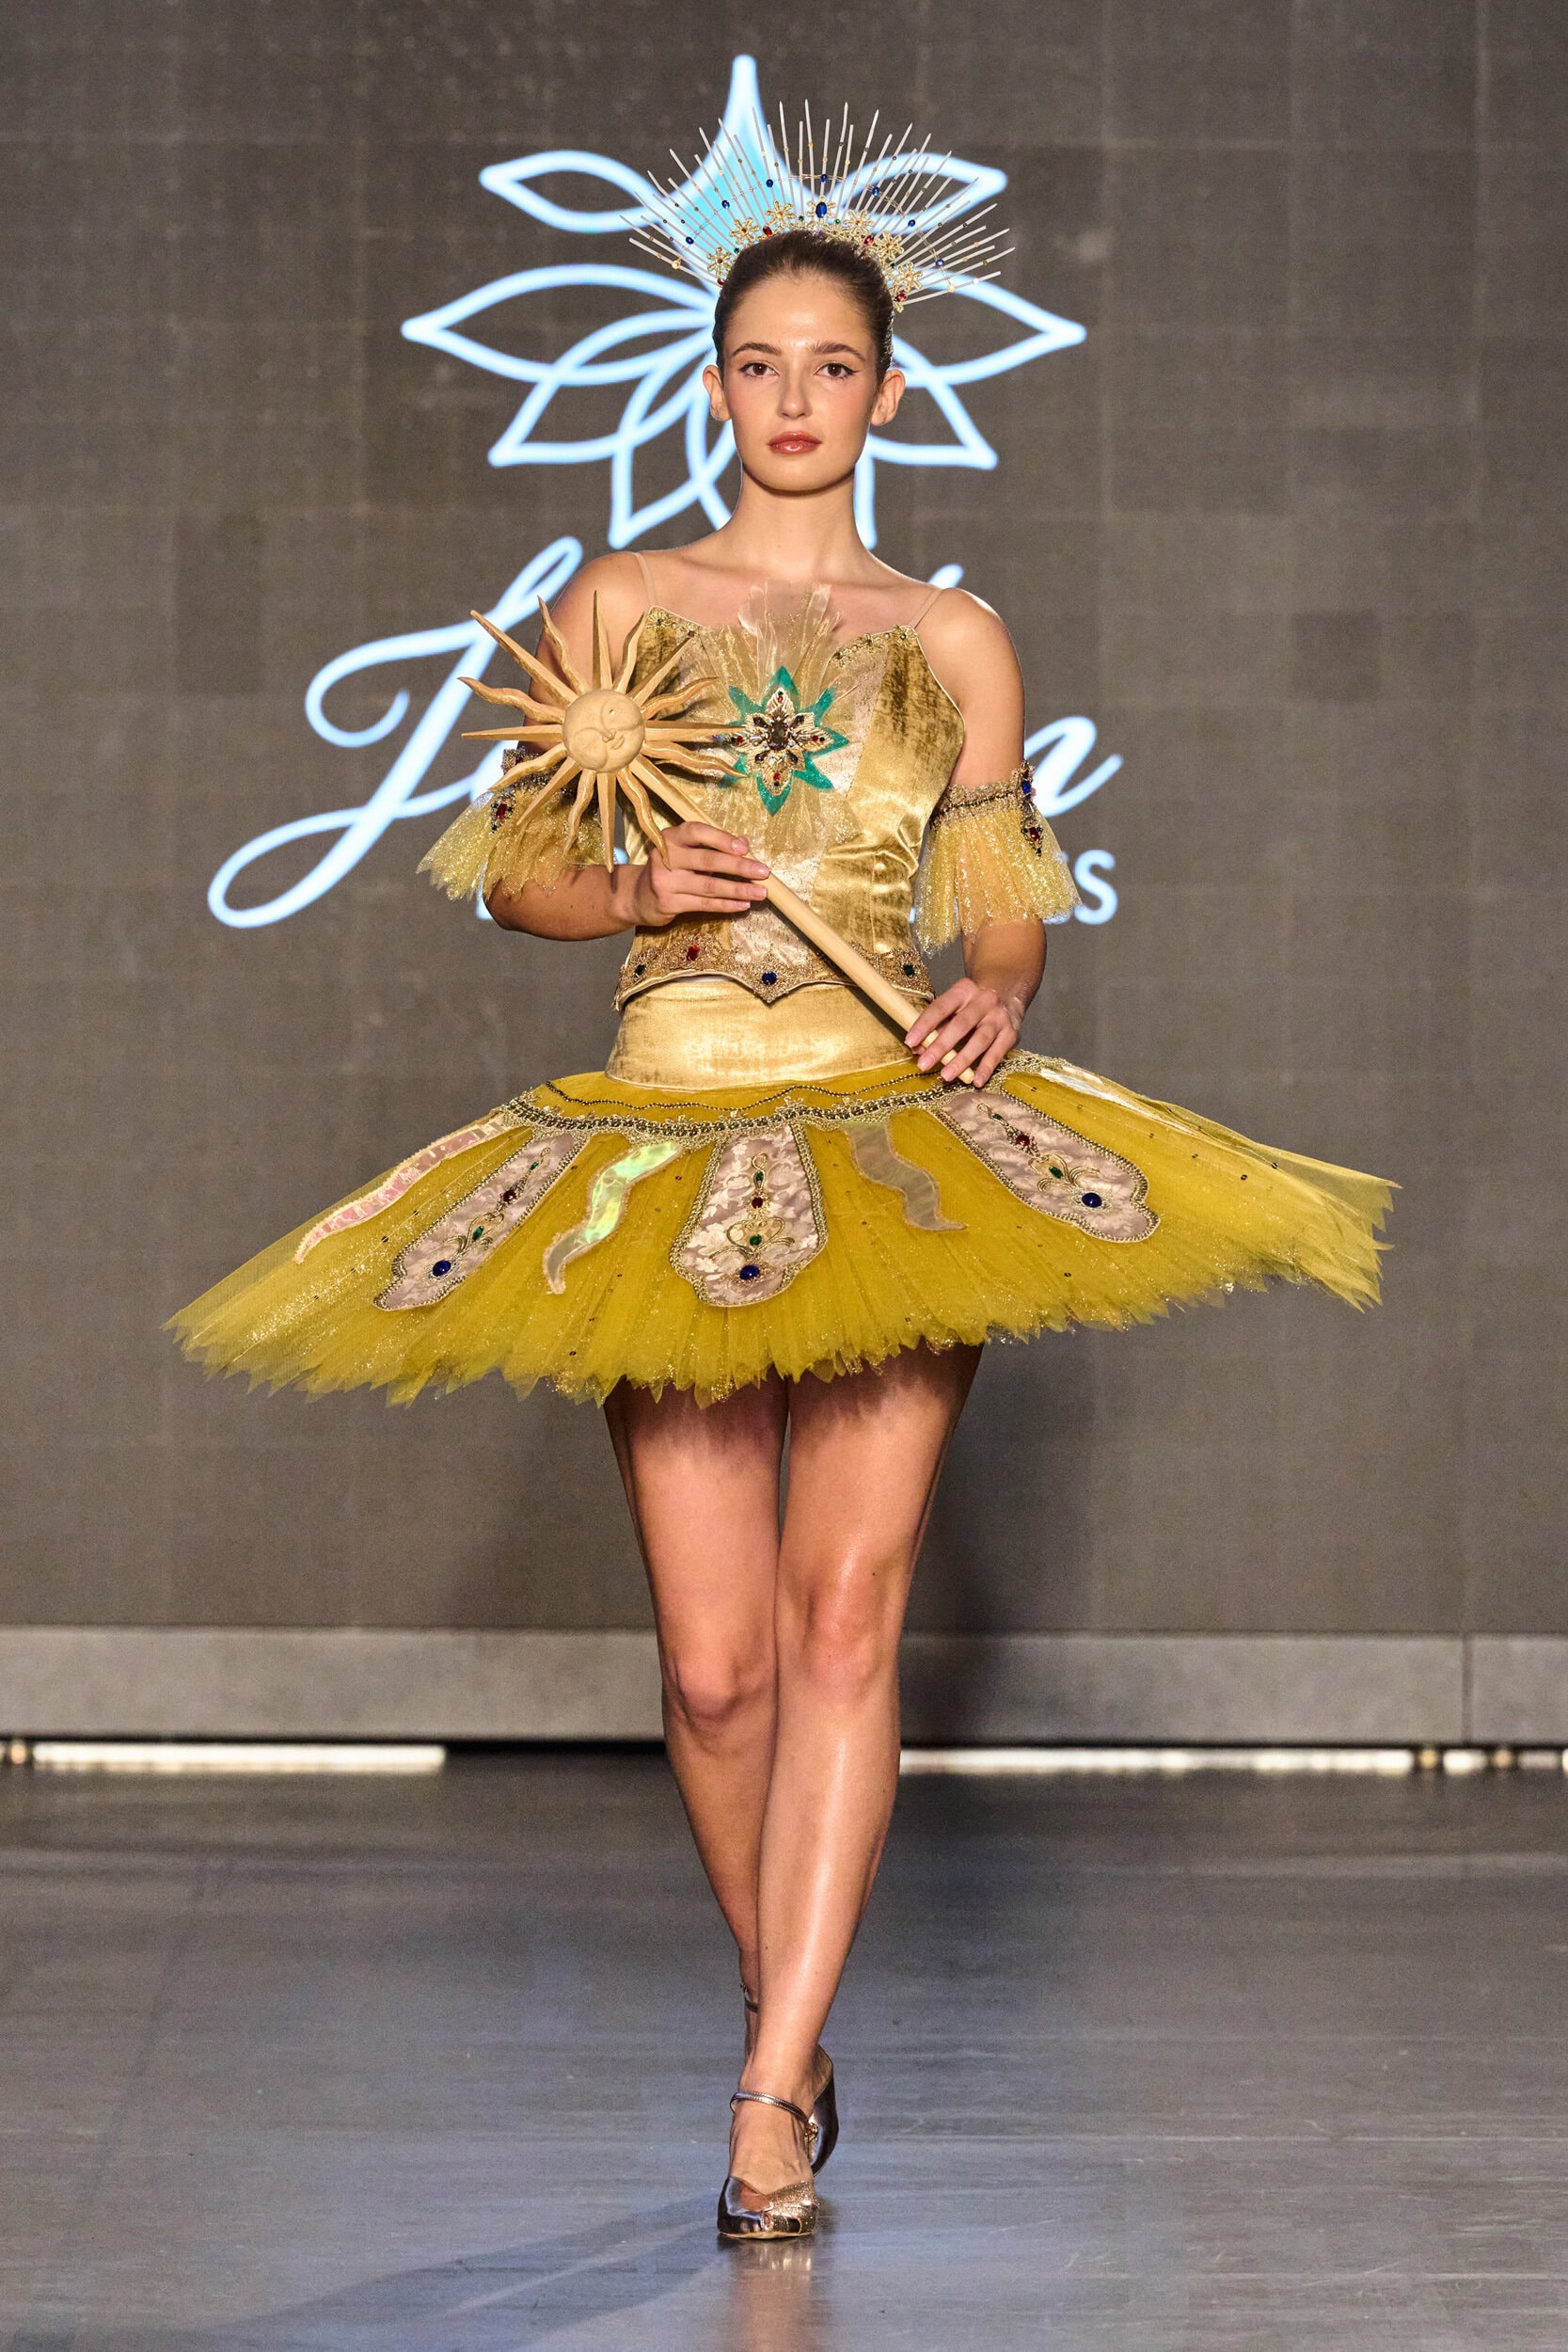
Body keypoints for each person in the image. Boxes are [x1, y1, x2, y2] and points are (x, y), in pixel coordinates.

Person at [174, 151, 1390, 2244]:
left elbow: (1004, 905)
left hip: (891, 1146)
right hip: (660, 1149)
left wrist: (993, 993)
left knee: (845, 1613)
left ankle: (760, 2096)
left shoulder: (956, 637)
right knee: (721, 1666)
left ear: (891, 392)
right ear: (714, 383)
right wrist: (637, 881)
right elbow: (520, 875)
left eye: (835, 365)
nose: (798, 398)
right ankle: (793, 2019)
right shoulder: (623, 604)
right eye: (761, 364)